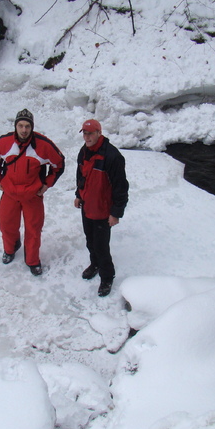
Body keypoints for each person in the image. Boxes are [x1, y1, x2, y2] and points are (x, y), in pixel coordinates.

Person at [0, 109, 65, 275]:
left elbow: (59, 164)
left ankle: (32, 260)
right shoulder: (4, 142)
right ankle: (10, 249)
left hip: (32, 196)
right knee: (6, 224)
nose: (24, 130)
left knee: (33, 230)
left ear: (32, 127)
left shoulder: (43, 145)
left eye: (27, 126)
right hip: (9, 194)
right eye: (21, 125)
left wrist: (46, 185)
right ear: (16, 126)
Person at [74, 119, 129, 297]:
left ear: (99, 133)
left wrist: (116, 213)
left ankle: (107, 276)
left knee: (101, 246)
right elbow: (81, 176)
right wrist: (78, 195)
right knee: (90, 241)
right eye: (85, 133)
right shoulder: (83, 152)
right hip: (87, 205)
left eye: (90, 133)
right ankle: (95, 264)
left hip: (103, 210)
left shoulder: (112, 156)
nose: (87, 137)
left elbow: (121, 187)